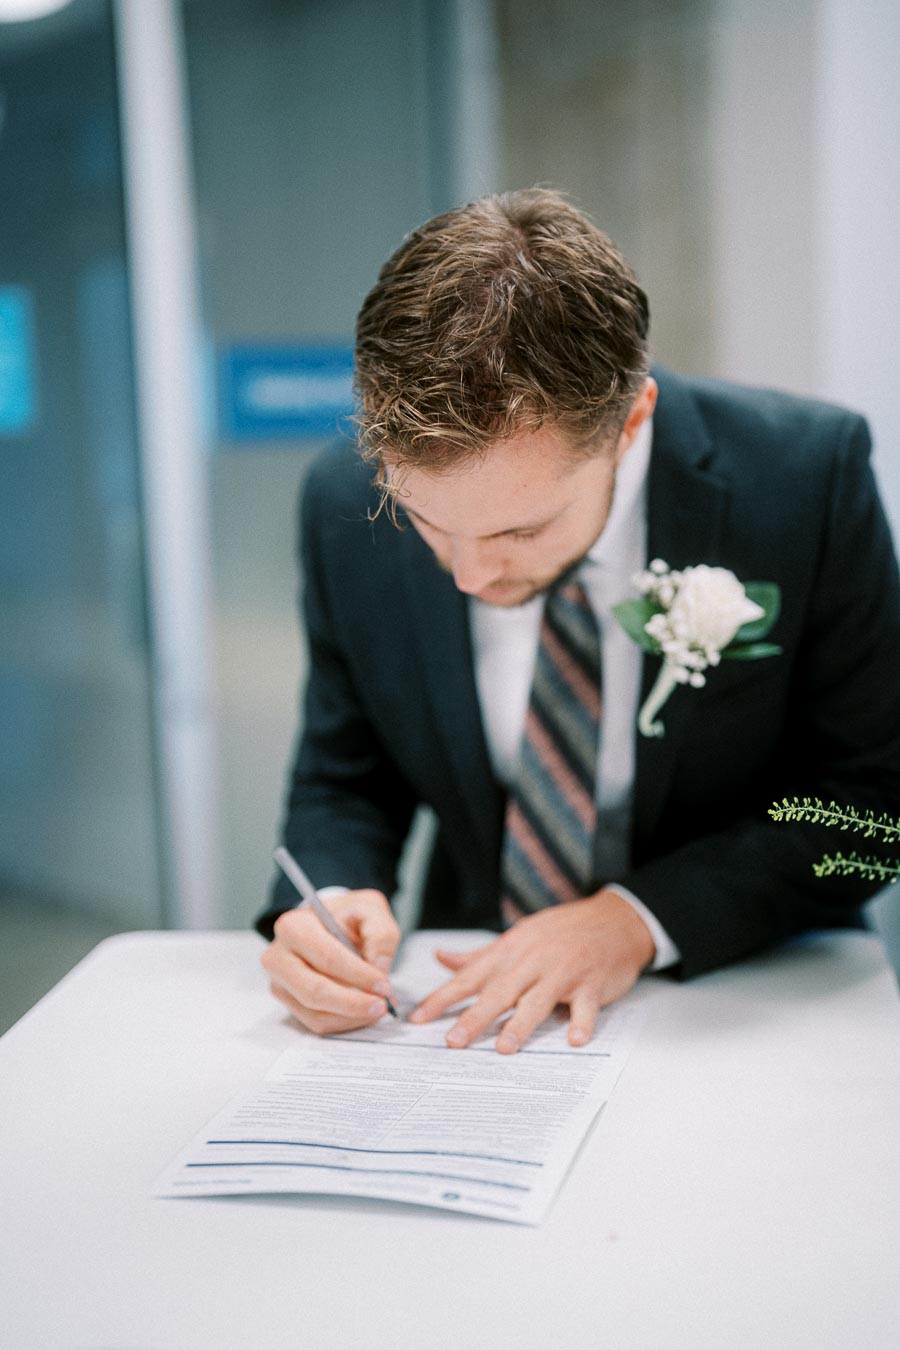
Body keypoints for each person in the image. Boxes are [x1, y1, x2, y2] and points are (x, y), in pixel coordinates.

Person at [256, 188, 900, 1053]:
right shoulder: (342, 504)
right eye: (430, 524)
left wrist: (633, 922)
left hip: (752, 1009)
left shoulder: (805, 481)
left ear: (630, 419)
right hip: (464, 1015)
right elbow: (345, 777)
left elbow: (875, 816)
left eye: (521, 529)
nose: (473, 575)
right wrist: (328, 898)